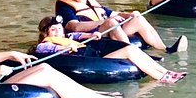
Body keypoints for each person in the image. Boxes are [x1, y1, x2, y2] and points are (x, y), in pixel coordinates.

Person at [55, 0, 188, 53]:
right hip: (90, 37)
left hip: (107, 31)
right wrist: (104, 22)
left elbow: (113, 13)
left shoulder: (91, 3)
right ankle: (135, 55)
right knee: (111, 23)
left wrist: (130, 15)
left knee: (137, 18)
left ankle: (165, 49)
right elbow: (74, 26)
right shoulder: (64, 6)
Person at [35, 15, 187, 83]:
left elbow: (79, 35)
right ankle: (162, 78)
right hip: (93, 62)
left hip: (95, 57)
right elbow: (45, 49)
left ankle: (166, 72)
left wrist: (93, 34)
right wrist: (65, 47)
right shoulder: (45, 44)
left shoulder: (68, 36)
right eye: (53, 30)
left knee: (131, 49)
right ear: (46, 33)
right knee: (129, 51)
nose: (58, 32)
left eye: (59, 28)